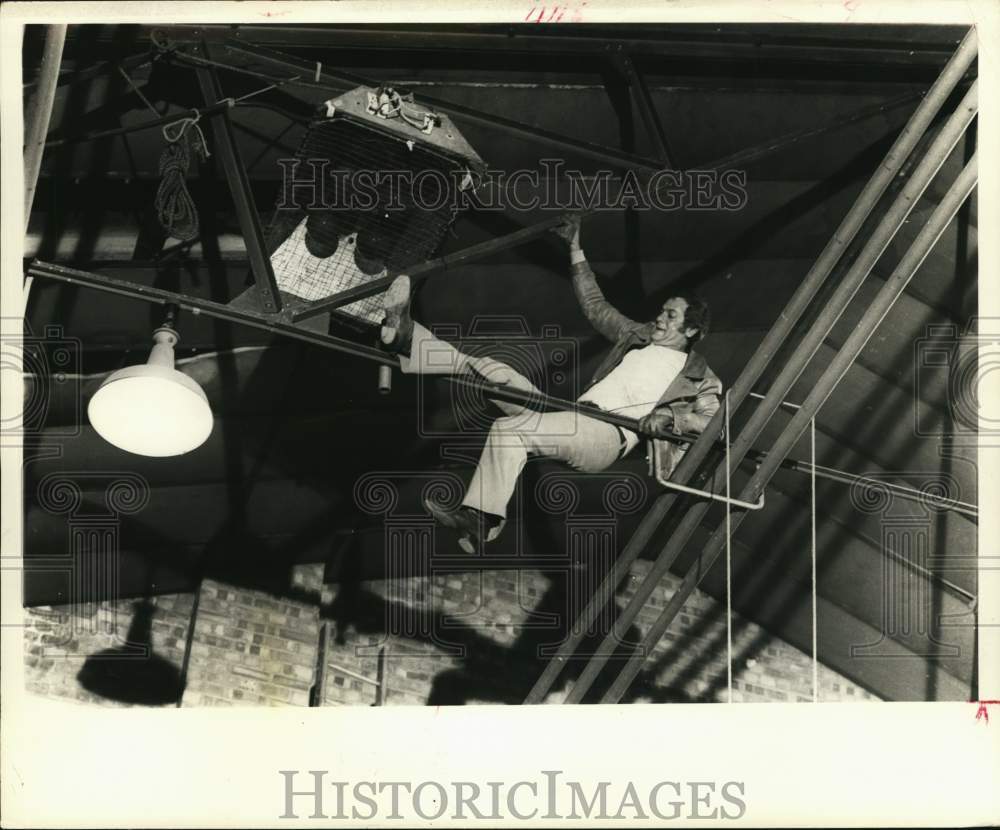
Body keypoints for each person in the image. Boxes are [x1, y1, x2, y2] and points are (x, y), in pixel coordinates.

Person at [379, 214, 722, 552]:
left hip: (606, 437)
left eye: (670, 315)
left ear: (691, 331)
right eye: (663, 311)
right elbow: (595, 307)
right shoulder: (638, 336)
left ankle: (480, 518)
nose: (660, 318)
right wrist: (575, 248)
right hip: (572, 415)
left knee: (509, 429)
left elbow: (715, 426)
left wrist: (674, 419)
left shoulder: (699, 377)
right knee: (492, 373)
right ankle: (408, 340)